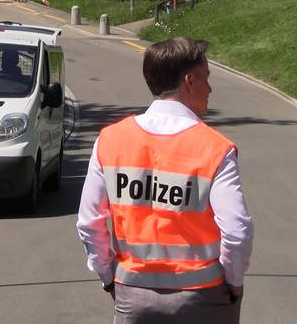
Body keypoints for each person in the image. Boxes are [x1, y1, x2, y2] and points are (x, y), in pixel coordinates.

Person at [76, 37, 253, 323]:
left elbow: (89, 221)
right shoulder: (215, 148)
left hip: (132, 293)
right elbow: (237, 232)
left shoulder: (110, 140)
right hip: (203, 297)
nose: (211, 87)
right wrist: (233, 283)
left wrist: (109, 278)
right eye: (206, 77)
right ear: (189, 81)